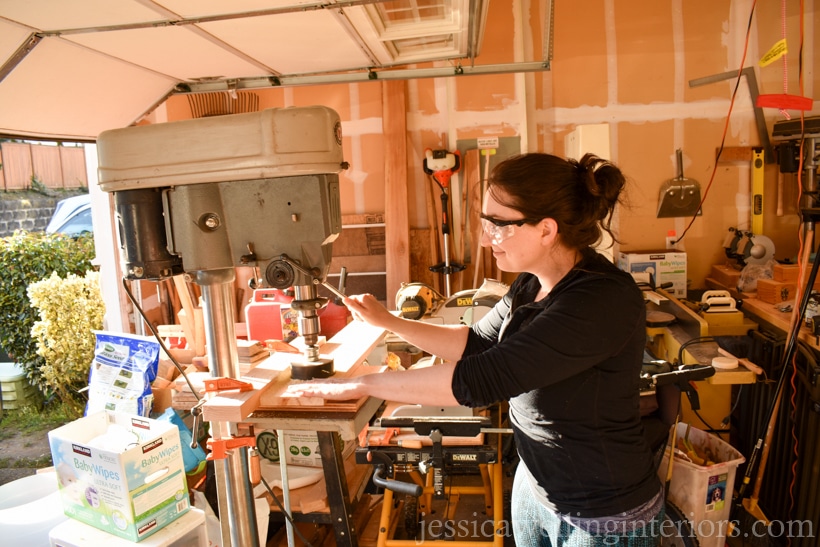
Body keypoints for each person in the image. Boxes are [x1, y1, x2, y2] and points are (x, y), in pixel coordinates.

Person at [286, 152, 664, 546]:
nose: (486, 238)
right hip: (535, 486)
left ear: (546, 230)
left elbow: (484, 378)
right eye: (486, 222)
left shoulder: (601, 300)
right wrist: (389, 322)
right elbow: (476, 343)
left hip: (603, 513)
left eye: (498, 225)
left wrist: (365, 385)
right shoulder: (531, 284)